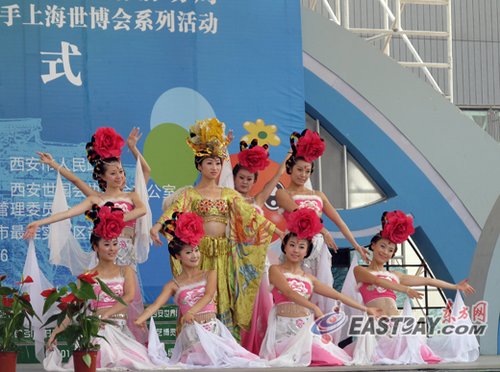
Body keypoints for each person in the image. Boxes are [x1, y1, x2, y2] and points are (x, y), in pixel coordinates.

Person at [150, 118, 276, 340]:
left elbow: (251, 216)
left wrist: (279, 232)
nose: (214, 167)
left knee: (224, 295)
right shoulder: (190, 194)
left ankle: (225, 343)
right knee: (200, 295)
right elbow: (175, 210)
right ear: (199, 165)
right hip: (199, 254)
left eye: (218, 163)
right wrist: (157, 226)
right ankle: (197, 340)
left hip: (225, 253)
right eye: (209, 163)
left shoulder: (228, 194)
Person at [24, 127, 149, 343]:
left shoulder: (132, 196)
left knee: (130, 301)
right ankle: (95, 340)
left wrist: (133, 148)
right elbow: (68, 209)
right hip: (103, 255)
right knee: (97, 298)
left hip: (125, 255)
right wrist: (39, 222)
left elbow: (144, 189)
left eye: (121, 171)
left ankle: (131, 345)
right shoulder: (96, 199)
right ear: (102, 176)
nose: (119, 176)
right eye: (113, 173)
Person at [136, 212, 266, 367]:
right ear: (178, 256)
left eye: (196, 250)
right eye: (188, 252)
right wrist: (140, 320)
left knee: (236, 363)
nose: (194, 255)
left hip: (212, 329)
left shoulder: (210, 273)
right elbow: (155, 306)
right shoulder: (173, 285)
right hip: (192, 335)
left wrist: (191, 311)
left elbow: (208, 295)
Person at [43, 203, 160, 371]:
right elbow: (74, 307)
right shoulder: (87, 276)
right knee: (101, 354)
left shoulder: (126, 270)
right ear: (95, 247)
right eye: (106, 244)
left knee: (130, 361)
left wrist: (105, 314)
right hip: (96, 330)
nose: (112, 249)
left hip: (118, 329)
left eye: (114, 243)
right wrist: (56, 332)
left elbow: (128, 296)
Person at [351, 210, 476, 364]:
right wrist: (405, 289)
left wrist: (455, 286)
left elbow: (427, 281)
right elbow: (377, 281)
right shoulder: (360, 271)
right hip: (377, 327)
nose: (385, 252)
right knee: (386, 358)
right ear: (373, 245)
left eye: (390, 250)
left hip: (396, 324)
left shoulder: (395, 275)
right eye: (382, 246)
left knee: (420, 353)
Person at [259, 208, 381, 366]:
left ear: (306, 251)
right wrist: (314, 308)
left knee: (330, 358)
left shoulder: (309, 278)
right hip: (283, 332)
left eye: (301, 246)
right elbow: (288, 292)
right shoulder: (275, 270)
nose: (296, 250)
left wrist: (366, 309)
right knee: (293, 361)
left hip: (306, 331)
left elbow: (338, 296)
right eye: (292, 245)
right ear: (285, 246)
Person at [275, 129, 369, 313]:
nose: (303, 174)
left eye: (307, 171)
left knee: (321, 288)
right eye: (299, 169)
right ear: (290, 169)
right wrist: (323, 231)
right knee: (296, 289)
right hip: (296, 245)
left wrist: (356, 245)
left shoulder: (319, 195)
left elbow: (339, 221)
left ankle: (320, 331)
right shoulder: (283, 194)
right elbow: (301, 214)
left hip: (318, 248)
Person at [232, 139, 288, 352]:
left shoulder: (256, 200)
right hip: (237, 258)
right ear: (234, 178)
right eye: (241, 178)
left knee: (263, 303)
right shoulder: (228, 200)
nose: (245, 182)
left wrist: (282, 165)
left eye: (249, 178)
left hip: (259, 259)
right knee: (239, 305)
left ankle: (262, 349)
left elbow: (272, 182)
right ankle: (239, 348)